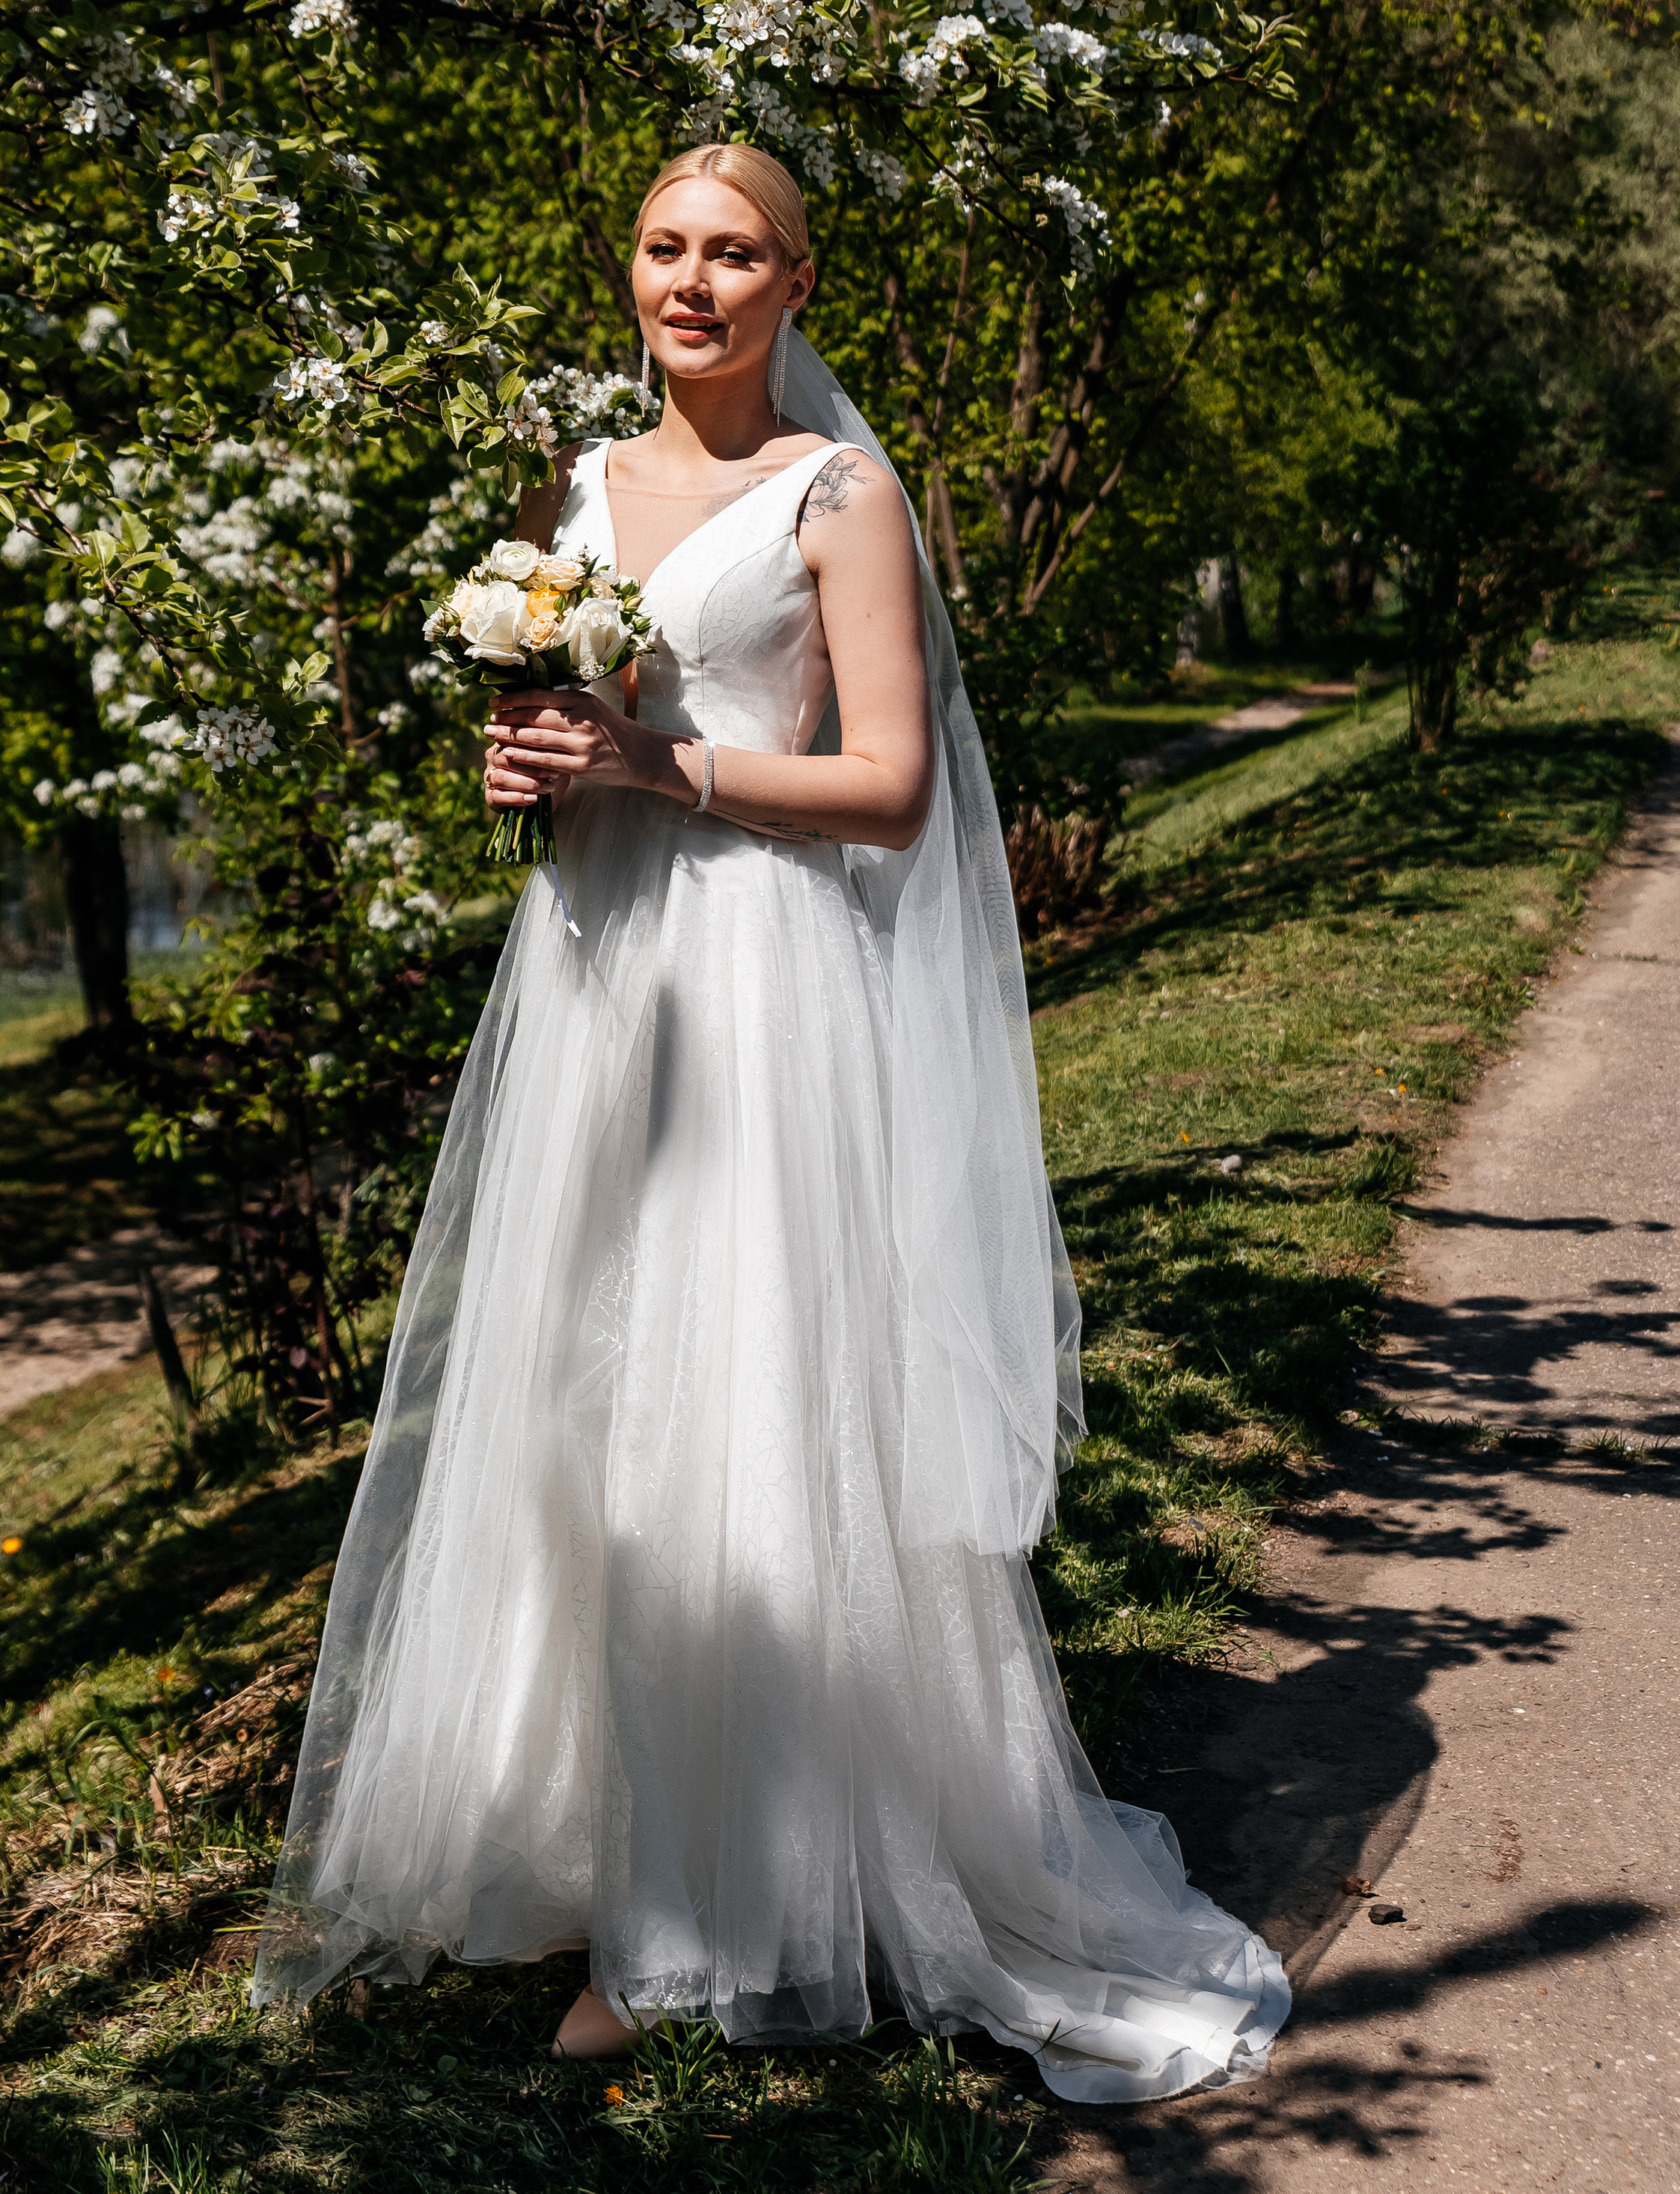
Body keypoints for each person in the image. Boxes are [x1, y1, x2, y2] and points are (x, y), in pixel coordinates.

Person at [252, 143, 1289, 2100]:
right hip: (595, 985)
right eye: (664, 247)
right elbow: (560, 744)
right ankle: (569, 1830)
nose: (694, 282)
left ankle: (701, 1913)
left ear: (798, 283)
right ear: (628, 271)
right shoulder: (573, 489)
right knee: (572, 1412)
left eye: (736, 253)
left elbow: (890, 789)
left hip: (758, 990)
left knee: (718, 1414)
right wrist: (530, 770)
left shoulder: (842, 495)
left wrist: (661, 763)